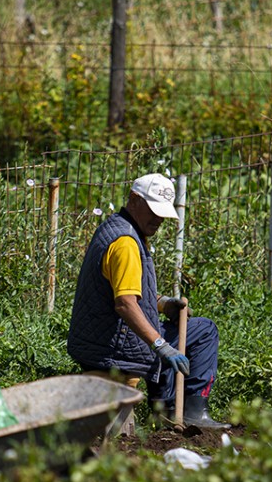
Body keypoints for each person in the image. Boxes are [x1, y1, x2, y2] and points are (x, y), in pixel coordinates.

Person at [67, 173, 229, 429]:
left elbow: (124, 291)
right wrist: (160, 345)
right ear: (134, 200)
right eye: (154, 211)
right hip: (114, 348)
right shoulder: (126, 244)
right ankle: (192, 412)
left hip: (102, 341)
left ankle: (163, 408)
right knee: (204, 331)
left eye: (163, 213)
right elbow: (125, 303)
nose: (158, 219)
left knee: (183, 330)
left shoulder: (117, 228)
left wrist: (162, 304)